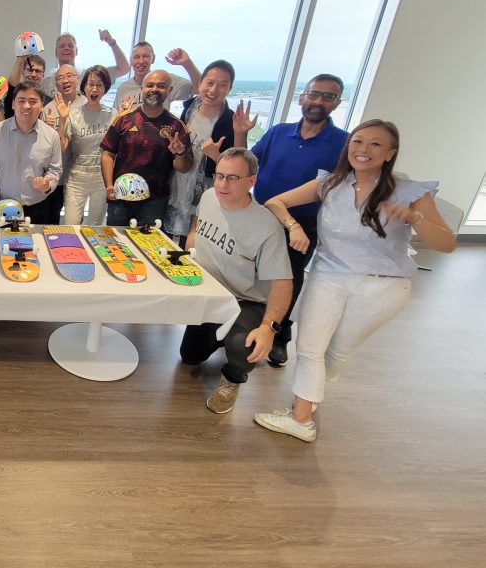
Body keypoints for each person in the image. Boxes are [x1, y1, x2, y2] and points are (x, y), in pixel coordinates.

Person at [255, 120, 456, 442]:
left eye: (375, 144)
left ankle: (308, 397)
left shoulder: (409, 191)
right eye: (358, 142)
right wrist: (293, 226)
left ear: (390, 153)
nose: (363, 150)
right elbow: (275, 202)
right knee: (310, 349)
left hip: (384, 285)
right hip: (328, 274)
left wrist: (414, 218)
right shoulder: (331, 184)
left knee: (338, 351)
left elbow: (446, 244)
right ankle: (301, 417)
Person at [181, 148, 293, 414]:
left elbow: (282, 283)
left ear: (251, 181)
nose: (222, 184)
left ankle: (233, 378)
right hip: (211, 292)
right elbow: (196, 227)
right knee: (190, 357)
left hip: (245, 301)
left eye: (232, 178)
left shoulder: (267, 227)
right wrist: (189, 252)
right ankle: (219, 337)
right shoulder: (209, 197)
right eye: (219, 175)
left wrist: (269, 327)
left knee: (242, 345)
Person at [248, 74, 350, 368]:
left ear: (336, 103)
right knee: (252, 273)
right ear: (302, 97)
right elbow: (250, 164)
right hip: (261, 216)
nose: (318, 101)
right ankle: (249, 326)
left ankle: (279, 338)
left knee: (288, 280)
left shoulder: (343, 143)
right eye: (314, 94)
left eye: (327, 97)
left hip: (302, 223)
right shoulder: (278, 132)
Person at [166, 60, 253, 243]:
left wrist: (236, 136)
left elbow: (239, 163)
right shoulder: (188, 110)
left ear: (229, 89)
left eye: (222, 85)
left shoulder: (231, 120)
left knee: (195, 245)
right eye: (210, 83)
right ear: (201, 83)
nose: (213, 90)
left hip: (208, 193)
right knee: (169, 241)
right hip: (178, 186)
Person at [100, 69, 193, 227]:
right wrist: (109, 185)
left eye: (161, 86)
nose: (155, 89)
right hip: (120, 196)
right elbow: (107, 154)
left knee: (148, 246)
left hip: (154, 201)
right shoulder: (123, 119)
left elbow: (184, 168)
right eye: (150, 85)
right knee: (115, 243)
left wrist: (181, 153)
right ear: (142, 89)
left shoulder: (177, 126)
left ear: (169, 90)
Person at [0, 80, 62, 225]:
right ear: (13, 104)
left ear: (42, 106)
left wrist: (46, 185)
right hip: (3, 206)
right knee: (2, 245)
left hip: (37, 206)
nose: (26, 106)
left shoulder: (52, 136)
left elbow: (55, 170)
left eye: (33, 101)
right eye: (21, 101)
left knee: (36, 246)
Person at [57, 66, 113, 225]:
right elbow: (62, 148)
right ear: (84, 87)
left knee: (95, 226)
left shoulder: (112, 114)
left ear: (105, 88)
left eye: (100, 84)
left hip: (101, 177)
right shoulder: (73, 114)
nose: (94, 89)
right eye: (90, 84)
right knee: (71, 224)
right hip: (77, 176)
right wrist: (62, 120)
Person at [38, 64, 84, 224]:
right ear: (55, 83)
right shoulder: (48, 109)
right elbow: (43, 147)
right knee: (51, 220)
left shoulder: (87, 105)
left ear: (77, 78)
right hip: (56, 178)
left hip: (79, 178)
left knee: (75, 222)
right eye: (60, 78)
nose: (65, 80)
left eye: (70, 75)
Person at [111, 43, 200, 117]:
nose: (141, 61)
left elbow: (199, 89)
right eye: (136, 57)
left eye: (146, 56)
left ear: (153, 59)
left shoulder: (165, 81)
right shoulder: (123, 87)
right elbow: (116, 117)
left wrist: (187, 63)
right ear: (131, 60)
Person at [41, 31, 129, 97]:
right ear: (56, 53)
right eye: (62, 46)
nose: (66, 48)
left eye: (70, 45)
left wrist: (112, 43)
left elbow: (123, 68)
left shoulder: (89, 75)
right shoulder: (47, 82)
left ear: (77, 51)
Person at [4, 53, 49, 119]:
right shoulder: (14, 95)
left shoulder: (48, 102)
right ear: (23, 72)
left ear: (43, 75)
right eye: (30, 70)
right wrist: (20, 59)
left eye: (38, 71)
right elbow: (11, 86)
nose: (34, 74)